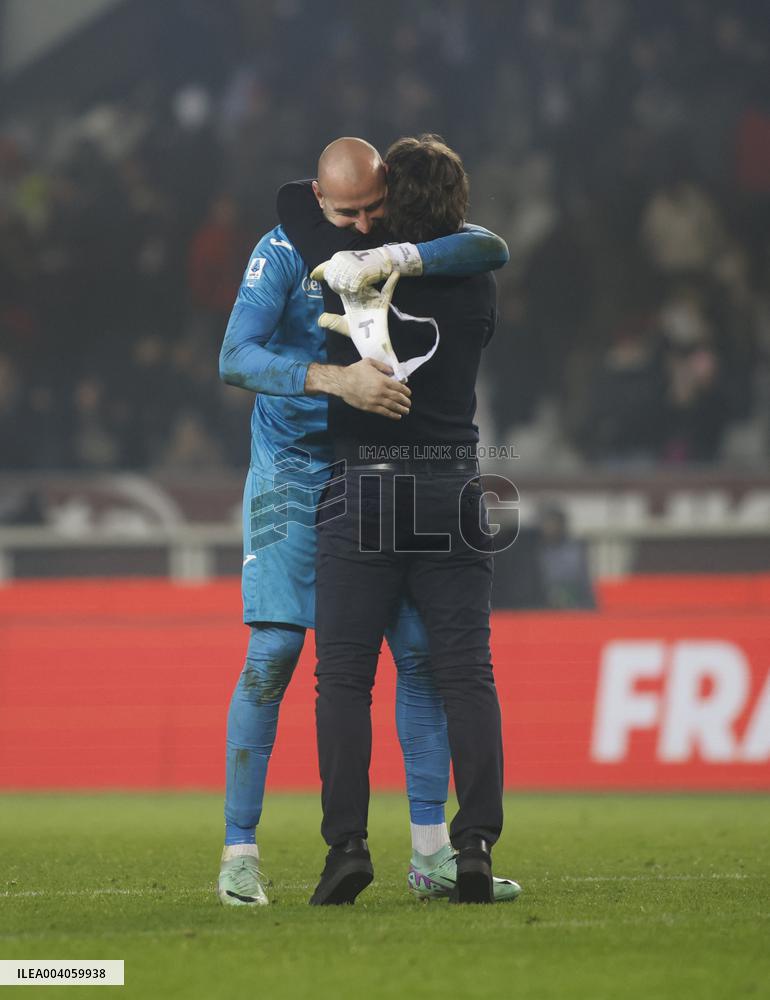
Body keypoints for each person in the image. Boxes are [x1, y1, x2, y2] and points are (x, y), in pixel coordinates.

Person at [216, 138, 518, 906]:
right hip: (293, 463)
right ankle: (239, 853)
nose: (358, 226)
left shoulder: (398, 248)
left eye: (371, 209)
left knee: (416, 655)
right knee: (278, 650)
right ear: (318, 198)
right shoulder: (284, 249)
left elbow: (485, 244)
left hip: (372, 464)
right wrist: (333, 380)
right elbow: (234, 357)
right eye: (344, 211)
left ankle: (428, 855)